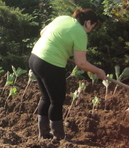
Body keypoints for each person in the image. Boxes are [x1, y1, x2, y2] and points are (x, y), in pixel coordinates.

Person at [29, 9, 106, 141]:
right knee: (56, 101)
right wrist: (98, 71)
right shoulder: (80, 33)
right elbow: (81, 63)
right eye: (92, 27)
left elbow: (42, 32)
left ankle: (44, 135)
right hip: (50, 64)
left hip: (35, 58)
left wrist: (60, 45)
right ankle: (59, 137)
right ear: (88, 22)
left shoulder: (63, 18)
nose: (90, 30)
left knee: (46, 98)